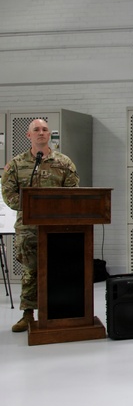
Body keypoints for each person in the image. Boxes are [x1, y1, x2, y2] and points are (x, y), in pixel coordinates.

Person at [2, 119, 79, 332]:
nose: (41, 133)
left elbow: (73, 192)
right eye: (36, 130)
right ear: (29, 136)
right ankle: (28, 315)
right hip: (28, 227)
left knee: (59, 269)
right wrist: (32, 206)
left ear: (49, 135)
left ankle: (57, 313)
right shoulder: (17, 164)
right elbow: (8, 195)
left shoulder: (63, 162)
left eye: (45, 129)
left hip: (57, 227)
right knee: (30, 271)